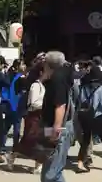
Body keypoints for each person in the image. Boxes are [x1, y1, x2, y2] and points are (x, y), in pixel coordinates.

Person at [39, 51, 74, 182]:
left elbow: (60, 105)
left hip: (58, 128)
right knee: (52, 170)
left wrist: (56, 129)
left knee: (51, 174)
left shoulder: (57, 79)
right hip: (61, 126)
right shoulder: (63, 75)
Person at [75, 66, 102, 172]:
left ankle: (79, 163)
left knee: (86, 140)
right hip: (96, 115)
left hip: (84, 115)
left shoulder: (83, 86)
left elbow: (80, 99)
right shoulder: (100, 87)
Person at [7, 62, 45, 173]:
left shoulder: (43, 85)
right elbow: (33, 103)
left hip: (40, 117)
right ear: (41, 72)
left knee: (39, 141)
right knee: (29, 140)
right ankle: (12, 156)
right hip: (34, 116)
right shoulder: (35, 85)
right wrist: (46, 104)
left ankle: (38, 165)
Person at [1, 59, 27, 153]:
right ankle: (15, 147)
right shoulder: (20, 77)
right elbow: (22, 93)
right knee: (16, 128)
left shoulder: (9, 75)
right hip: (16, 105)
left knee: (6, 127)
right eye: (22, 64)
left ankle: (1, 146)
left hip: (9, 104)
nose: (24, 66)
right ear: (17, 66)